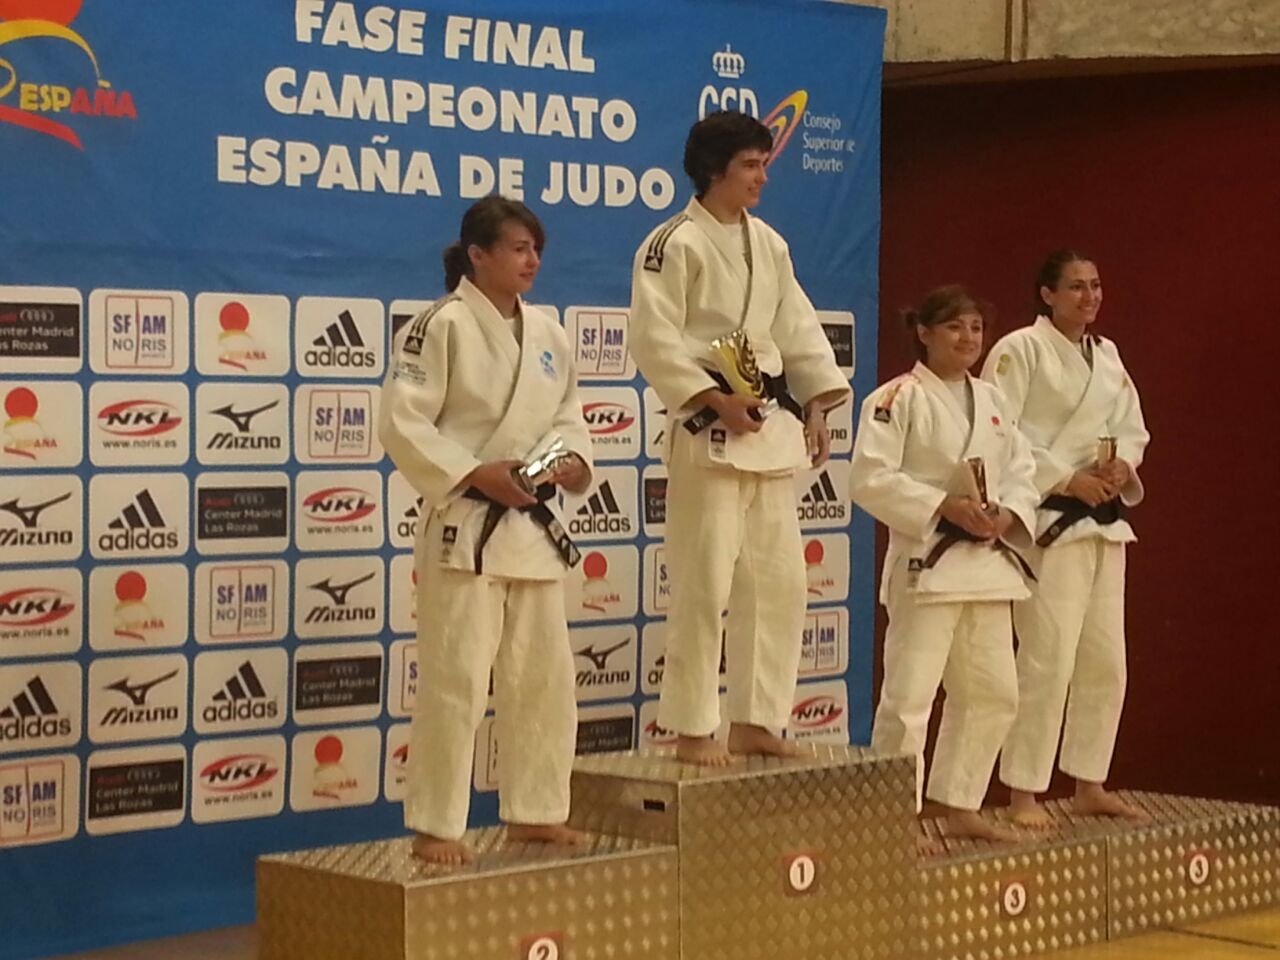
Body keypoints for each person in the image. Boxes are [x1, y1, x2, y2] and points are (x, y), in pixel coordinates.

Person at [628, 111, 851, 766]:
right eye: (750, 165)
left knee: (780, 584)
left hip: (768, 431)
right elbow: (654, 337)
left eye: (763, 164)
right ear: (713, 170)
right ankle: (694, 729)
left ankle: (757, 720)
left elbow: (799, 329)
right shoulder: (672, 244)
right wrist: (711, 399)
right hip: (710, 434)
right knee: (704, 585)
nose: (761, 177)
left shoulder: (770, 244)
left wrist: (815, 404)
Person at [379, 196, 594, 864]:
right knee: (457, 682)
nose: (532, 261)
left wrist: (571, 460)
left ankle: (535, 810)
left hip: (531, 525)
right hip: (468, 525)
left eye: (537, 249)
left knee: (545, 681)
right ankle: (437, 825)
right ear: (478, 255)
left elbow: (568, 414)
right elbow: (403, 422)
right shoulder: (437, 326)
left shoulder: (550, 332)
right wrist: (476, 473)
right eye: (518, 248)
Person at [850, 286, 1039, 843]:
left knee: (994, 694)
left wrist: (1008, 512)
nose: (969, 338)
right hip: (928, 568)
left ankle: (960, 804)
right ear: (925, 333)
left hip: (986, 567)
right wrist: (944, 506)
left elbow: (1022, 471)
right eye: (955, 327)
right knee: (909, 698)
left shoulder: (996, 402)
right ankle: (888, 819)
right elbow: (871, 478)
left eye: (976, 327)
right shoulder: (894, 398)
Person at [983, 250, 1150, 826]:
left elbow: (1132, 427)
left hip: (1104, 526)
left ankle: (1089, 782)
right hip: (1050, 524)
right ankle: (1023, 793)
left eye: (1096, 285)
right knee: (1046, 660)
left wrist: (1122, 467)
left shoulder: (1107, 357)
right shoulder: (1018, 350)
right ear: (1046, 294)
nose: (1089, 296)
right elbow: (1002, 430)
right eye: (1076, 287)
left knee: (1107, 662)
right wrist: (1067, 478)